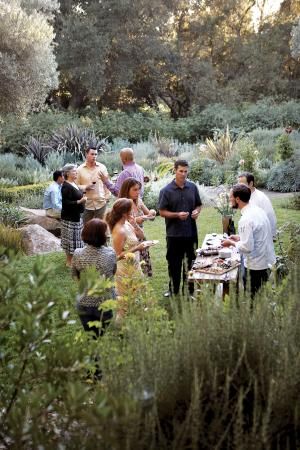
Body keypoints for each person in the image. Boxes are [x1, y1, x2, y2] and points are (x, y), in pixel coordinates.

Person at [222, 184, 276, 299]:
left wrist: (231, 243)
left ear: (237, 199)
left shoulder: (245, 219)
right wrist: (240, 237)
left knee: (253, 301)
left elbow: (247, 248)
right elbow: (258, 234)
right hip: (267, 261)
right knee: (260, 298)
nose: (229, 199)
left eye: (231, 197)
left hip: (256, 267)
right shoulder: (257, 210)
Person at [158, 159, 202, 296]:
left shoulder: (193, 187)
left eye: (185, 171)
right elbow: (161, 212)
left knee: (191, 263)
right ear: (175, 171)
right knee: (174, 263)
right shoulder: (166, 191)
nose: (183, 174)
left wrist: (197, 211)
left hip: (190, 233)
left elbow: (199, 204)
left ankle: (190, 290)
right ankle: (173, 290)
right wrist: (177, 215)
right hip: (174, 234)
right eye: (181, 171)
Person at [72, 219, 117, 337]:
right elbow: (113, 272)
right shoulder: (110, 254)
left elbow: (75, 276)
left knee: (91, 336)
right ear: (103, 236)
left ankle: (93, 353)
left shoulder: (77, 253)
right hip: (104, 303)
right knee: (100, 336)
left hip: (83, 301)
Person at [105, 198, 150, 296]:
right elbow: (117, 256)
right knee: (128, 301)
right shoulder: (120, 230)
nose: (133, 210)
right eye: (131, 208)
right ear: (124, 213)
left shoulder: (127, 223)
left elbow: (142, 236)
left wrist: (135, 224)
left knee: (140, 296)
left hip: (135, 265)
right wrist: (137, 248)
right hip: (125, 270)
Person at [119, 177, 156, 277]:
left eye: (139, 189)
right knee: (132, 266)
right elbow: (120, 222)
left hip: (140, 235)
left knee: (142, 265)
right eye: (135, 189)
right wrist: (136, 220)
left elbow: (150, 216)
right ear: (127, 190)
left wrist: (152, 212)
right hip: (129, 237)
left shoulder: (138, 201)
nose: (138, 192)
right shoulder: (123, 203)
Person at [61, 164, 87, 267]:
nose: (76, 173)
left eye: (76, 171)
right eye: (74, 171)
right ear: (67, 173)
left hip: (76, 216)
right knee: (70, 240)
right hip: (70, 218)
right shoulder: (66, 186)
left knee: (76, 240)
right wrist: (80, 201)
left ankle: (73, 260)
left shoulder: (73, 183)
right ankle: (69, 262)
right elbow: (66, 203)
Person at [238, 172, 277, 239]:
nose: (239, 187)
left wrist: (272, 235)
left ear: (251, 183)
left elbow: (270, 216)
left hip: (262, 235)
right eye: (238, 184)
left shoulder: (261, 197)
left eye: (242, 184)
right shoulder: (244, 196)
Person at [77, 146, 110, 223]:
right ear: (86, 154)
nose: (94, 156)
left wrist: (107, 196)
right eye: (92, 154)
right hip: (86, 204)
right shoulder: (79, 169)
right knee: (86, 229)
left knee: (102, 229)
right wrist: (86, 187)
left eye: (96, 154)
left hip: (101, 202)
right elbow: (76, 186)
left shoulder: (102, 167)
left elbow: (107, 182)